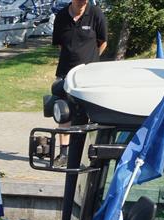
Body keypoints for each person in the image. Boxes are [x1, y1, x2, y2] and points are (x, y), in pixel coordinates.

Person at [51, 0, 107, 167]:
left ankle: (89, 152)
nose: (82, 2)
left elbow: (103, 42)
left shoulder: (96, 14)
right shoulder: (61, 16)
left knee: (88, 113)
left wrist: (91, 62)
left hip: (89, 75)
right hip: (66, 73)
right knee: (64, 112)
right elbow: (60, 44)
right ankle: (64, 153)